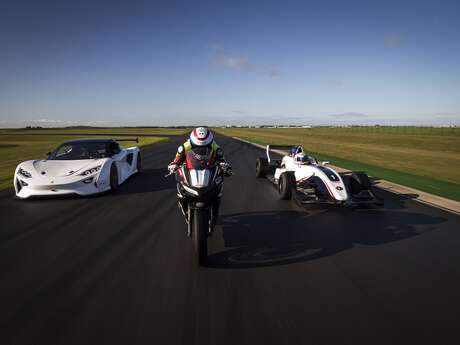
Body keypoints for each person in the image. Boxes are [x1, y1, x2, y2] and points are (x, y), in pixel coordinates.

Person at [167, 127, 231, 229]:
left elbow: (222, 159)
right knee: (180, 188)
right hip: (191, 170)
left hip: (209, 170)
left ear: (209, 142)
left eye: (205, 146)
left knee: (219, 189)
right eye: (197, 146)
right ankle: (185, 208)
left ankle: (215, 212)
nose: (202, 148)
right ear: (193, 141)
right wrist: (174, 164)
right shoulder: (185, 146)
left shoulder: (215, 146)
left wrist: (225, 166)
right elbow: (177, 159)